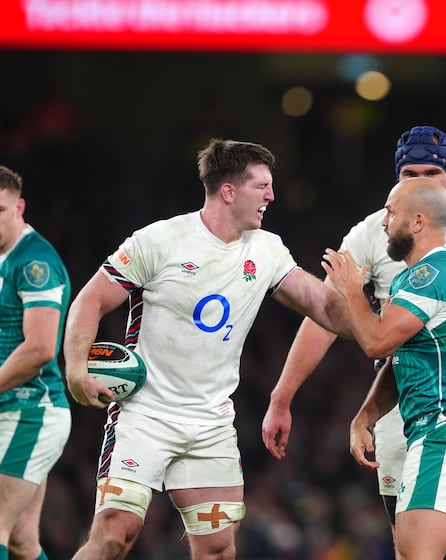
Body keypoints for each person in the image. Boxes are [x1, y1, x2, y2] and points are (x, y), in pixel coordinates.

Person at [262, 125, 446, 558]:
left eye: (430, 172)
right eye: (408, 174)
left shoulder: (434, 269)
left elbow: (378, 342)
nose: (418, 182)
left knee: (415, 551)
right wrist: (293, 398)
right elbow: (348, 330)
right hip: (436, 417)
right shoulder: (383, 241)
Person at [63, 139, 351, 560]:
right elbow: (90, 300)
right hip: (145, 417)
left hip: (210, 426)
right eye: (263, 186)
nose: (271, 196)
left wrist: (372, 320)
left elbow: (322, 305)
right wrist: (75, 367)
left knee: (217, 550)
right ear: (229, 191)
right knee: (112, 537)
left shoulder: (267, 250)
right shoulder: (160, 241)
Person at [326, 176, 446, 559]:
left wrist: (353, 291)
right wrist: (365, 417)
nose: (384, 222)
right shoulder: (420, 276)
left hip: (445, 434)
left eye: (391, 212)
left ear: (418, 222)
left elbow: (376, 341)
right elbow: (398, 359)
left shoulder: (430, 275)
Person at [0, 165, 71, 560]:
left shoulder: (34, 263)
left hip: (30, 411)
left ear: (19, 206)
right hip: (13, 412)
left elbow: (41, 348)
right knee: (22, 542)